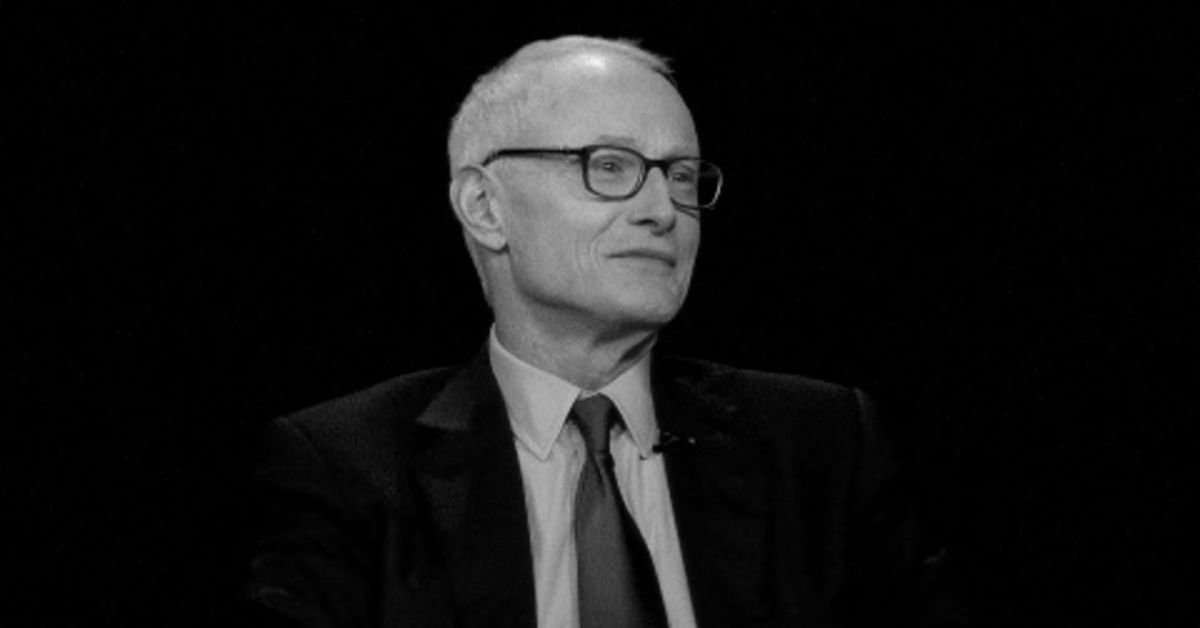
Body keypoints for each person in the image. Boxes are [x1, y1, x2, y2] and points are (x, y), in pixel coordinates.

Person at [244, 35, 963, 627]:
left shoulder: (824, 444)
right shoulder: (345, 469)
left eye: (681, 176)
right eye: (610, 166)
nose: (662, 210)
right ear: (485, 207)